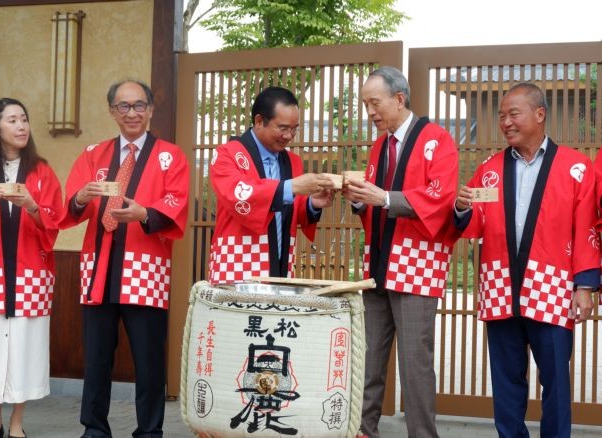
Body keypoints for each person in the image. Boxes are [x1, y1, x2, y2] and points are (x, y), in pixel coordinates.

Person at [454, 82, 599, 437]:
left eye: (513, 114)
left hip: (552, 287)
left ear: (539, 114)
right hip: (499, 286)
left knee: (556, 382)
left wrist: (585, 285)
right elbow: (475, 224)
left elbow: (587, 227)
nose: (506, 122)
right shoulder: (490, 169)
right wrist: (460, 208)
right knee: (505, 382)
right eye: (502, 116)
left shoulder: (576, 168)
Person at [61, 79, 189, 438]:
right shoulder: (93, 154)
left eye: (138, 105)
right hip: (97, 266)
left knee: (148, 358)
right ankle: (94, 428)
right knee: (97, 356)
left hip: (145, 266)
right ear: (112, 111)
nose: (131, 113)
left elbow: (176, 202)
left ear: (150, 109)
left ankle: (149, 430)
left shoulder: (170, 155)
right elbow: (70, 207)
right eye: (123, 106)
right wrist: (83, 197)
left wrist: (145, 214)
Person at [343, 66, 459, 438]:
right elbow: (375, 202)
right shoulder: (380, 144)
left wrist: (383, 197)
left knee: (415, 363)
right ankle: (362, 431)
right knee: (368, 360)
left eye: (374, 103)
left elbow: (442, 198)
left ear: (399, 98)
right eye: (365, 105)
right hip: (378, 261)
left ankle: (423, 435)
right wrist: (360, 200)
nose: (370, 112)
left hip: (416, 266)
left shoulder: (437, 140)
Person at [0, 98, 63, 438]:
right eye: (12, 121)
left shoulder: (42, 171)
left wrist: (32, 206)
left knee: (24, 346)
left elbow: (54, 222)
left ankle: (17, 423)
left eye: (24, 119)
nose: (21, 126)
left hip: (29, 272)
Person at [208, 86, 334, 283]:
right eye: (283, 128)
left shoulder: (293, 161)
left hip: (281, 259)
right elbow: (237, 195)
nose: (289, 136)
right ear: (259, 121)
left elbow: (294, 210)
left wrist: (313, 203)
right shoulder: (227, 153)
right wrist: (292, 187)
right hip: (237, 262)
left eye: (294, 129)